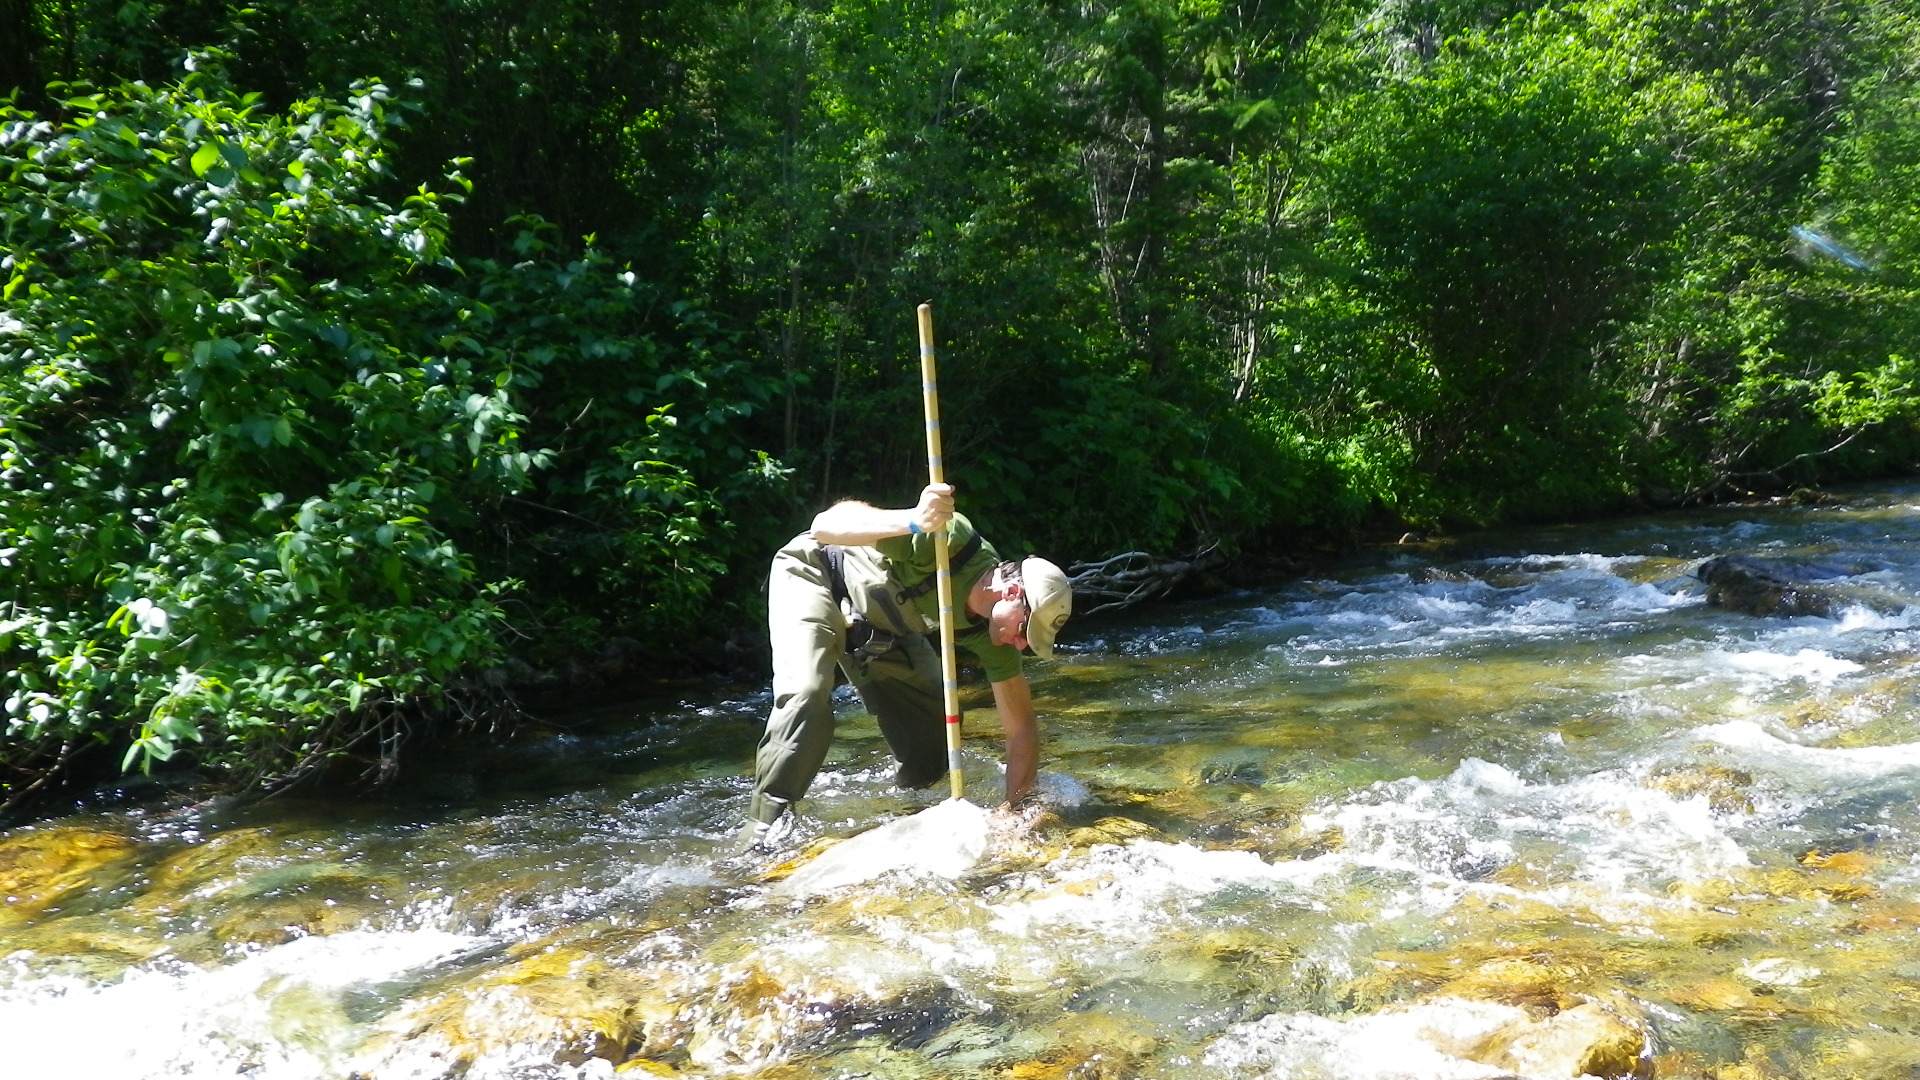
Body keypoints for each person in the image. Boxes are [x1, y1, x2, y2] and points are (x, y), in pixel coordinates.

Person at [743, 482, 1073, 847]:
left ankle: (906, 813)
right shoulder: (947, 540)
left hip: (879, 626)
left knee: (936, 730)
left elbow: (1021, 730)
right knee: (806, 694)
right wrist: (914, 521)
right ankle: (763, 831)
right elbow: (825, 524)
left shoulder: (992, 634)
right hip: (816, 572)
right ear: (1011, 593)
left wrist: (1013, 809)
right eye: (1026, 630)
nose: (1022, 644)